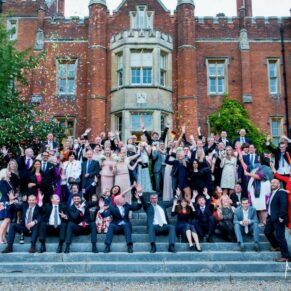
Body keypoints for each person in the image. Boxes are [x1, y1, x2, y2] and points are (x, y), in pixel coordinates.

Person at [100, 186, 142, 253]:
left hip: (126, 226)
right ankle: (107, 246)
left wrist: (139, 199)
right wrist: (102, 209)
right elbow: (104, 215)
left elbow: (137, 207)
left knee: (126, 225)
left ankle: (129, 246)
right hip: (116, 226)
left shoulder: (126, 205)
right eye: (122, 198)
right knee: (111, 225)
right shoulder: (112, 207)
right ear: (118, 201)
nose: (124, 199)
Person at [264, 179, 290, 262]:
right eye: (271, 182)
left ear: (279, 184)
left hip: (279, 219)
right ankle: (276, 246)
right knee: (267, 232)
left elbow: (284, 205)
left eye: (275, 182)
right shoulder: (272, 193)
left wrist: (282, 217)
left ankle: (286, 256)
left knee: (280, 237)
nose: (272, 184)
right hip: (271, 218)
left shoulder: (281, 192)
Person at [245, 154, 273, 225]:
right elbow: (247, 167)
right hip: (257, 189)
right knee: (258, 205)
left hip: (263, 189)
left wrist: (248, 174)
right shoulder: (258, 166)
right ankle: (261, 221)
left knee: (263, 206)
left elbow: (260, 176)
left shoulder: (266, 167)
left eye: (259, 157)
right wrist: (241, 159)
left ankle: (265, 222)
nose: (258, 158)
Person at [271, 165, 291, 230]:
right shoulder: (288, 179)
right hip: (288, 200)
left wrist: (285, 190)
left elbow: (288, 191)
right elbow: (278, 176)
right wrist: (273, 167)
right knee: (289, 213)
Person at [0, 169, 15, 244]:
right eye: (8, 171)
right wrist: (11, 197)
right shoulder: (2, 182)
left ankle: (3, 237)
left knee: (8, 220)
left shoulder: (9, 182)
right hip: (5, 202)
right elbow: (5, 192)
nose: (10, 172)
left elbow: (12, 193)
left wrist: (13, 197)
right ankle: (0, 237)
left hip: (10, 202)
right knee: (6, 220)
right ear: (4, 173)